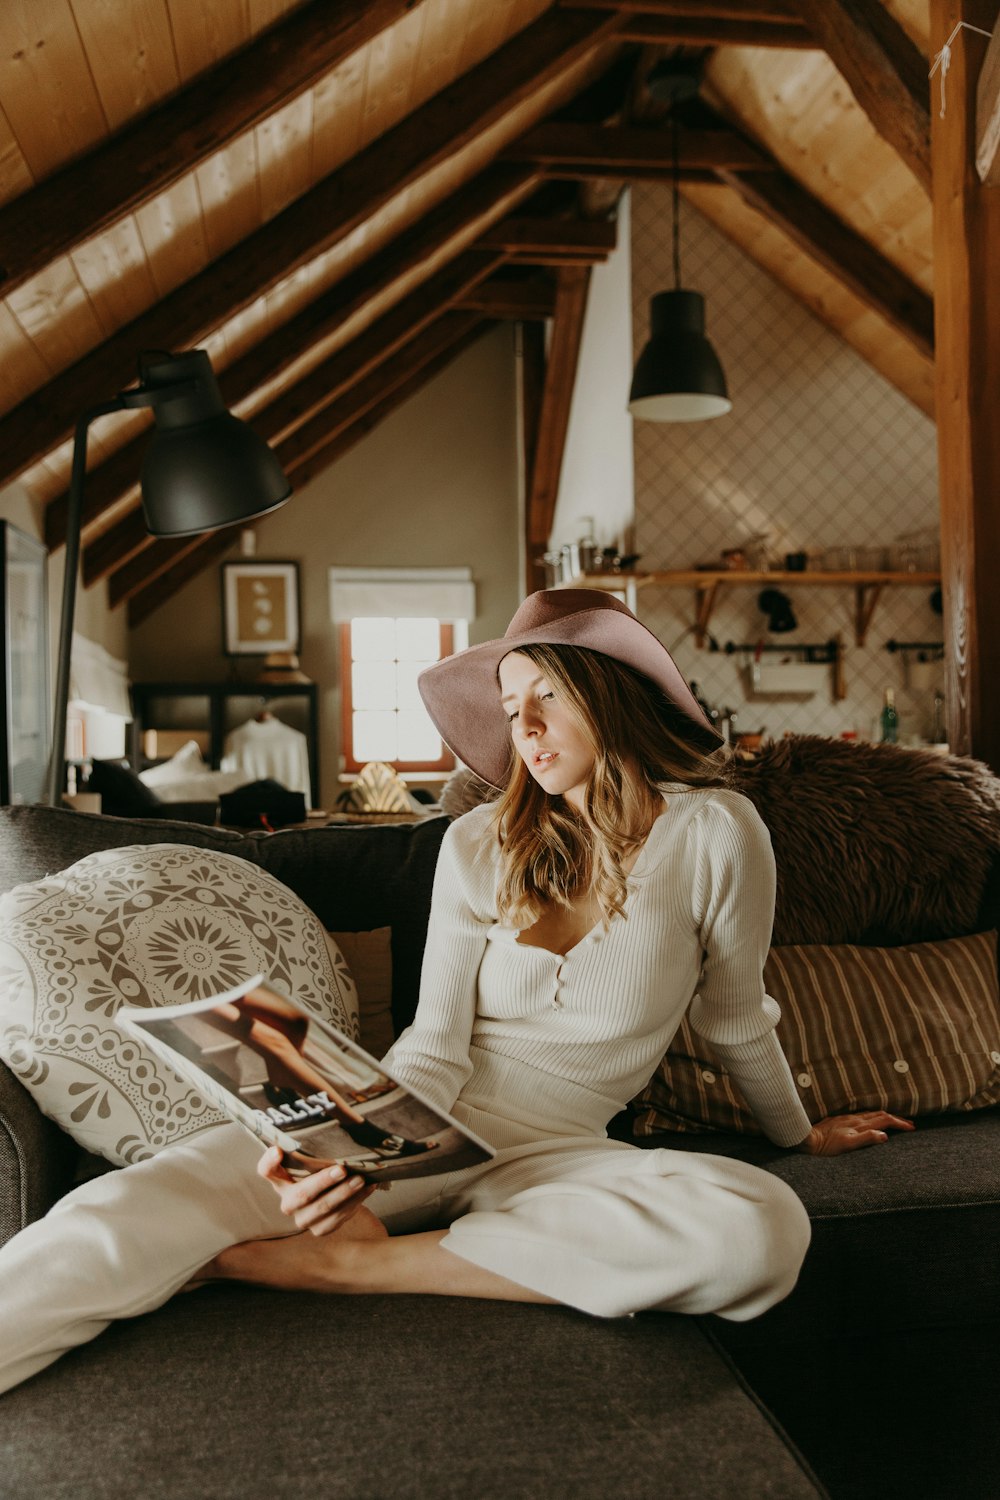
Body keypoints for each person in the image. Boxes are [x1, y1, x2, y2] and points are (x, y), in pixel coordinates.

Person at [0, 590, 911, 1394]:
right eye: (512, 707)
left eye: (546, 695)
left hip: (554, 1152)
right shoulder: (478, 842)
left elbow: (734, 1018)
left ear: (610, 689)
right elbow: (432, 1043)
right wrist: (348, 1152)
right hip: (411, 1125)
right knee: (120, 1212)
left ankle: (350, 1269)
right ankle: (337, 1231)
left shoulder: (718, 832)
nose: (524, 727)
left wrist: (798, 1134)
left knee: (760, 1229)